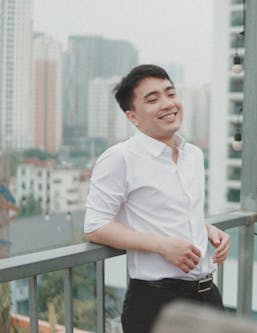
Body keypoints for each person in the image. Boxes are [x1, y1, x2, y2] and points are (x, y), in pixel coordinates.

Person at [84, 64, 230, 333]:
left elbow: (174, 210)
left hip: (207, 295)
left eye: (170, 93)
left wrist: (205, 229)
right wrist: (162, 246)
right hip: (157, 302)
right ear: (133, 117)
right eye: (152, 99)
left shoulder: (194, 155)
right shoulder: (120, 158)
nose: (167, 104)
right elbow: (95, 225)